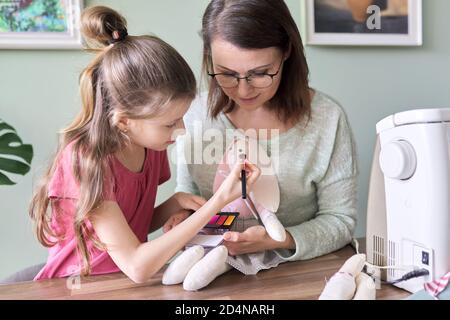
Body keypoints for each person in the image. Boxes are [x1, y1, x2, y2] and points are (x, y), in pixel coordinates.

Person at [23, 5, 260, 283]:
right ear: (124, 122)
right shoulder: (85, 161)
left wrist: (175, 203)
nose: (180, 130)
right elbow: (137, 267)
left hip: (123, 284)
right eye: (170, 123)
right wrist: (219, 200)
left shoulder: (150, 145)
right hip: (80, 287)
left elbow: (129, 229)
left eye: (181, 119)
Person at [171, 0, 359, 290]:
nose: (243, 90)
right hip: (212, 281)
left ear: (286, 51)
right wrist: (181, 218)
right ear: (209, 57)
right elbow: (188, 196)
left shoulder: (327, 119)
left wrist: (279, 239)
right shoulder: (193, 114)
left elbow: (340, 220)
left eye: (260, 73)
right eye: (227, 73)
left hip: (302, 280)